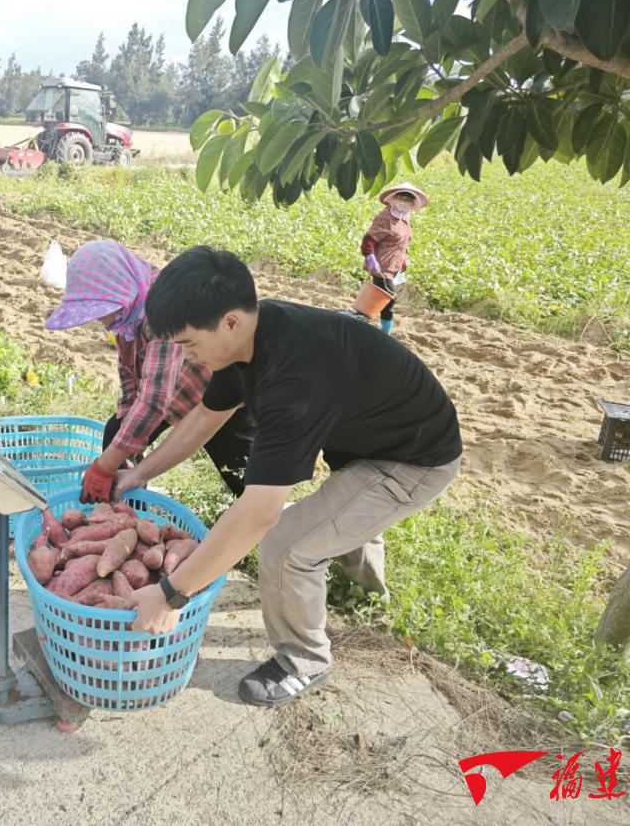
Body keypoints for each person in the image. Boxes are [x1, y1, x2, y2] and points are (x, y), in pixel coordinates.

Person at [117, 246, 461, 707]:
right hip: (371, 440)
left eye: (189, 344)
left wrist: (170, 595)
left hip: (413, 460)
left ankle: (304, 661)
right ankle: (363, 592)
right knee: (338, 518)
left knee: (287, 546)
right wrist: (138, 473)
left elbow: (260, 514)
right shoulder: (248, 337)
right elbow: (205, 417)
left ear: (230, 322)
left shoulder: (294, 380)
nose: (187, 357)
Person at [44, 240, 254, 502]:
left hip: (218, 388)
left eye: (100, 310)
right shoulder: (126, 308)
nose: (100, 319)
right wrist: (125, 416)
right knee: (116, 431)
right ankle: (127, 509)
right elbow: (129, 368)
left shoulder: (162, 311)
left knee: (241, 473)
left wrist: (105, 466)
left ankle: (263, 517)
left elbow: (154, 402)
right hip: (167, 387)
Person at [347, 182, 428, 335]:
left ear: (412, 203)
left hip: (394, 267)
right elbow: (369, 240)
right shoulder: (386, 217)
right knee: (387, 299)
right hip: (381, 266)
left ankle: (362, 322)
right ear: (394, 198)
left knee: (382, 300)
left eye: (408, 199)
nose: (404, 201)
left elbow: (401, 243)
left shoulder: (404, 218)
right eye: (401, 197)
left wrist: (403, 261)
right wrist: (371, 259)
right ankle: (384, 332)